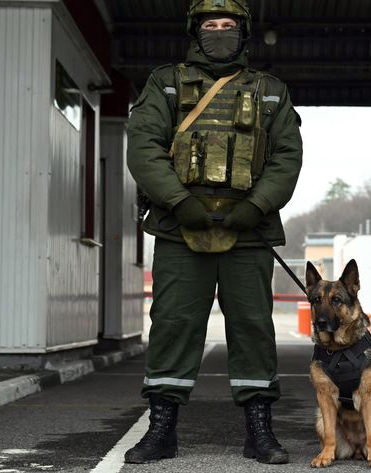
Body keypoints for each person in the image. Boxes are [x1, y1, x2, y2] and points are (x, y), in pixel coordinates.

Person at [124, 0, 303, 465]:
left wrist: (257, 206)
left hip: (250, 231)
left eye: (228, 26)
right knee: (174, 325)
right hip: (179, 228)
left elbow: (286, 157)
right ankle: (161, 431)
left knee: (253, 328)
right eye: (210, 26)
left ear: (243, 33)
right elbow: (144, 147)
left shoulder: (270, 91)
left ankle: (260, 432)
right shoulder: (165, 84)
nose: (219, 33)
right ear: (195, 32)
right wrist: (180, 201)